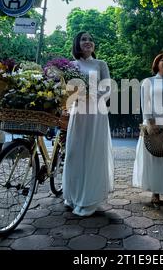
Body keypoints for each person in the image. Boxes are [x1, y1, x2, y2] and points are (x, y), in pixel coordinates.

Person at [62, 31, 114, 217]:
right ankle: (71, 195)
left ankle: (88, 200)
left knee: (92, 153)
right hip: (78, 113)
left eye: (91, 39)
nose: (88, 42)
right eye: (84, 39)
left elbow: (107, 89)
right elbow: (65, 91)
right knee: (75, 153)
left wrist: (90, 94)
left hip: (96, 113)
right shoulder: (71, 65)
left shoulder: (101, 64)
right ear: (77, 43)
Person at [133, 52, 163, 205]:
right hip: (152, 124)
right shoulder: (148, 82)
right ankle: (155, 192)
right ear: (157, 63)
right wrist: (150, 122)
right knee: (153, 158)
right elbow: (144, 102)